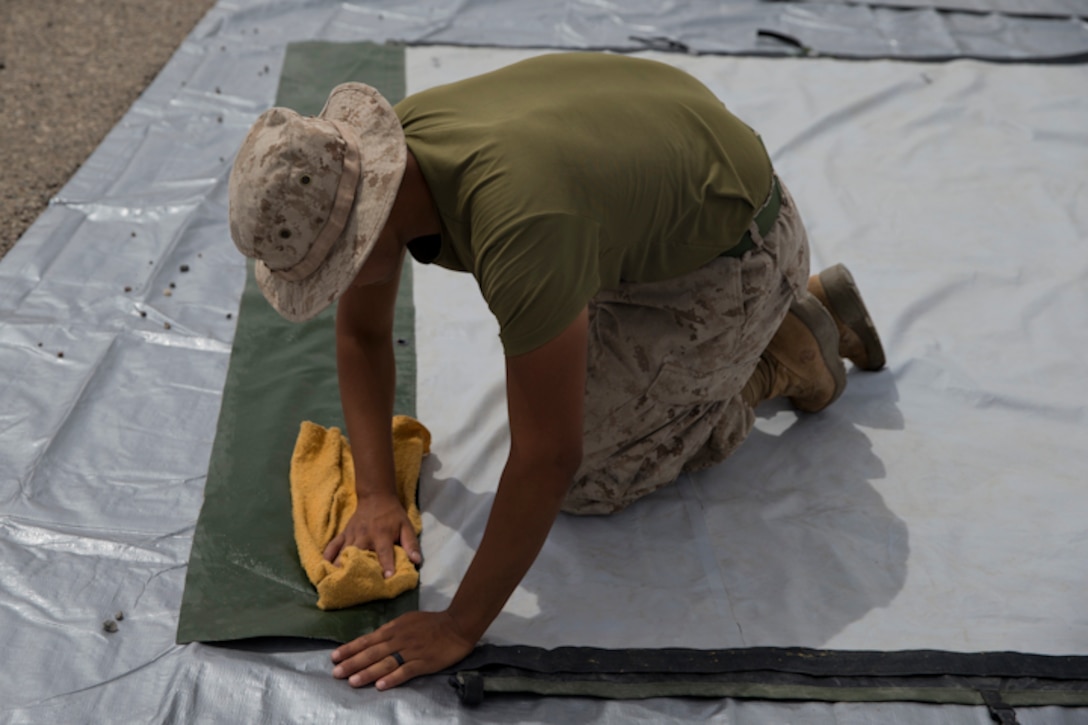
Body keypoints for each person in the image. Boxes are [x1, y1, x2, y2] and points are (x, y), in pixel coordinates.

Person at [227, 52, 884, 691]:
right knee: (557, 368)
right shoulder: (389, 157)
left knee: (593, 476)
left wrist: (459, 624)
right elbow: (363, 334)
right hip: (670, 195)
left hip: (736, 256)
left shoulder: (522, 228)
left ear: (369, 223)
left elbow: (549, 456)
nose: (341, 287)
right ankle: (746, 337)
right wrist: (374, 491)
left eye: (337, 269)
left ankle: (778, 350)